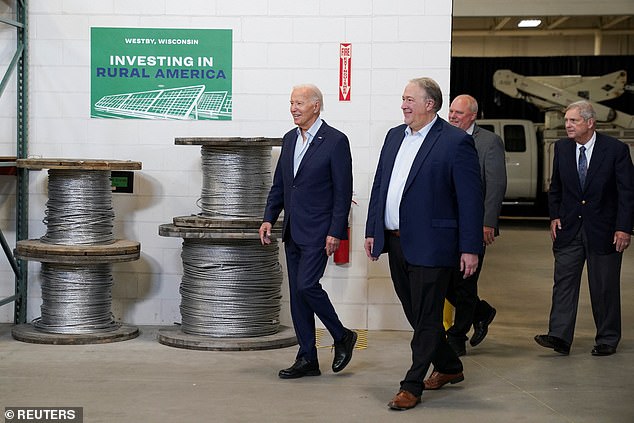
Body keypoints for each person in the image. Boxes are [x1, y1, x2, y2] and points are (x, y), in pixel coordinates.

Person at [364, 77, 483, 410]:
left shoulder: (455, 142)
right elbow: (380, 186)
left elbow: (471, 200)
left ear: (430, 104)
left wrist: (470, 247)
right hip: (397, 242)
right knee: (416, 313)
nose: (403, 105)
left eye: (409, 99)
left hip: (434, 244)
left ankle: (411, 385)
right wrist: (373, 229)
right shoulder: (393, 137)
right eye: (402, 99)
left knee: (427, 317)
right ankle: (450, 366)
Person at [259, 83, 357, 379]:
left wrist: (335, 231)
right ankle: (307, 358)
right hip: (292, 230)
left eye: (299, 103)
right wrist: (268, 217)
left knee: (306, 286)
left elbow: (343, 191)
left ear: (316, 105)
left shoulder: (336, 141)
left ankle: (342, 335)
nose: (293, 108)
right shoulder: (290, 139)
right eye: (291, 103)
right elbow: (281, 184)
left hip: (319, 230)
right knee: (298, 296)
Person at [535, 100, 634, 356]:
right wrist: (555, 215)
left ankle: (607, 338)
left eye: (573, 121)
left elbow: (627, 193)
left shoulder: (615, 150)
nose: (567, 125)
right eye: (566, 120)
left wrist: (624, 228)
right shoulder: (562, 149)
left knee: (603, 287)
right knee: (564, 283)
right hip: (569, 230)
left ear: (590, 123)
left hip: (605, 231)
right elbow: (555, 186)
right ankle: (559, 336)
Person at [443, 94, 507, 356]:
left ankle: (457, 336)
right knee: (447, 281)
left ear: (473, 116)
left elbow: (495, 184)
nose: (453, 116)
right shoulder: (444, 136)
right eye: (451, 112)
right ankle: (481, 312)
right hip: (447, 225)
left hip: (474, 224)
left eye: (459, 113)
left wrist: (487, 222)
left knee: (466, 282)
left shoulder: (489, 142)